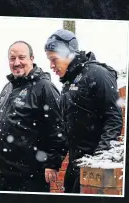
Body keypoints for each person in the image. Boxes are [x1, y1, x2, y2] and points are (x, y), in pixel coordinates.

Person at [44, 29, 123, 193]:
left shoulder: (98, 74)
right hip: (75, 167)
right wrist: (53, 162)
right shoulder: (68, 83)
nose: (51, 66)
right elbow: (66, 129)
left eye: (54, 59)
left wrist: (98, 161)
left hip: (93, 168)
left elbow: (114, 119)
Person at [0, 41, 67, 192]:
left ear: (32, 58)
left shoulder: (44, 87)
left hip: (29, 177)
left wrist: (52, 163)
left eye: (21, 57)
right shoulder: (8, 88)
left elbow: (59, 128)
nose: (17, 63)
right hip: (1, 176)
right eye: (12, 58)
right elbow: (0, 125)